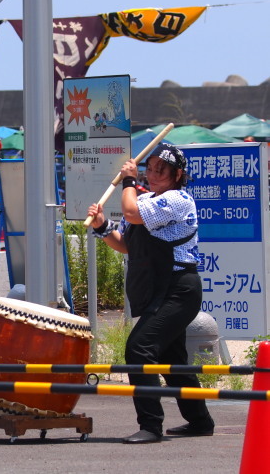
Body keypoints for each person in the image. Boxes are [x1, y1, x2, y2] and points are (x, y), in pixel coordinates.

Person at [86, 143, 214, 444]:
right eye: (150, 168)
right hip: (159, 287)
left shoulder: (177, 199)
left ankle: (151, 425)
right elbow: (128, 244)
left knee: (139, 348)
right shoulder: (151, 201)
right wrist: (103, 226)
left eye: (161, 169)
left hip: (179, 287)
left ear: (177, 174)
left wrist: (129, 180)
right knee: (174, 361)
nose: (153, 174)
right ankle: (200, 421)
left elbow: (130, 213)